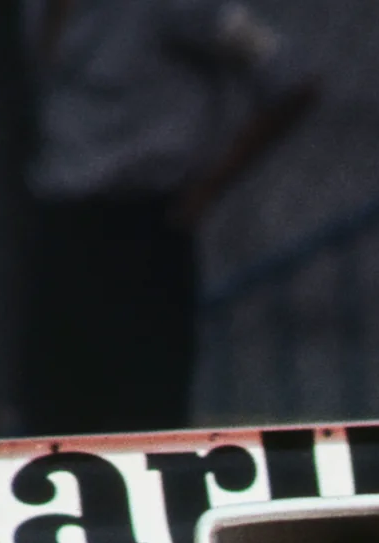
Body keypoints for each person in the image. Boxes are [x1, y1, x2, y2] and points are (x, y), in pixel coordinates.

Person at [19, 1, 318, 435]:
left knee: (145, 417)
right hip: (61, 223)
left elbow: (288, 76)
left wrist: (208, 187)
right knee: (54, 415)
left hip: (141, 228)